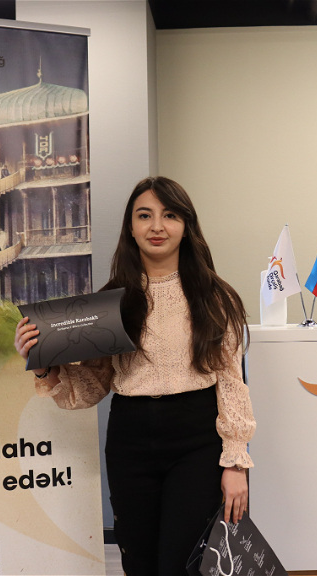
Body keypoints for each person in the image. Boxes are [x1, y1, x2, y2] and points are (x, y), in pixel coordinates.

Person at [14, 176, 255, 576]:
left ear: (186, 226)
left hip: (196, 442)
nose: (157, 226)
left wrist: (235, 463)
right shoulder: (111, 302)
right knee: (138, 563)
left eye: (169, 215)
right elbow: (92, 387)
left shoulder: (215, 297)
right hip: (130, 441)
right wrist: (43, 364)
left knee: (182, 564)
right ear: (130, 226)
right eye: (145, 216)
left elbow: (231, 382)